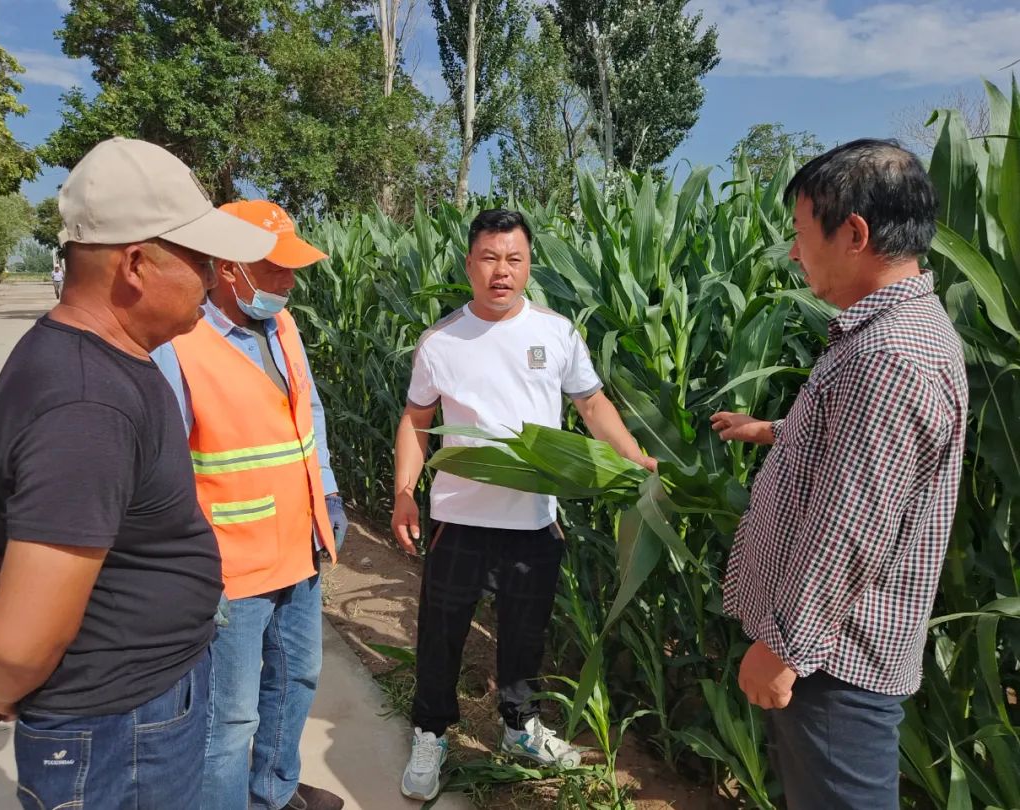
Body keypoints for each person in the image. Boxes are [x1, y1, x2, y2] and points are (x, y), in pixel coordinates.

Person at [0, 137, 276, 810]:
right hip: (119, 736)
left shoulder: (98, 360)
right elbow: (21, 643)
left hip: (130, 717)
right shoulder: (87, 404)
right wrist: (2, 676)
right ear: (135, 264)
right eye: (200, 261)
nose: (212, 280)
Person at [712, 139, 968, 810]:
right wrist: (770, 430)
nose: (794, 254)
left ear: (854, 234)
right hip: (828, 650)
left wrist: (783, 647)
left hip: (834, 661)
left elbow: (854, 525)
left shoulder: (891, 356)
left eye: (801, 235)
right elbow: (859, 452)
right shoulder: (892, 333)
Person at [392, 209, 657, 802]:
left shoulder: (555, 333)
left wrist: (634, 457)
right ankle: (431, 732)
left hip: (534, 520)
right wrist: (404, 493)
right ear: (469, 264)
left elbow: (592, 404)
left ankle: (520, 728)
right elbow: (416, 418)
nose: (501, 271)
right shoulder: (441, 341)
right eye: (489, 258)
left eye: (514, 259)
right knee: (440, 633)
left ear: (529, 265)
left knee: (525, 634)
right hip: (458, 518)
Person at [152, 199, 347, 810]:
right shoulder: (178, 345)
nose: (288, 281)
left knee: (296, 681)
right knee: (230, 717)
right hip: (231, 564)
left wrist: (329, 490)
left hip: (300, 544)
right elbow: (163, 466)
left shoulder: (282, 324)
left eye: (291, 268)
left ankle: (273, 794)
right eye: (273, 268)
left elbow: (308, 409)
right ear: (226, 267)